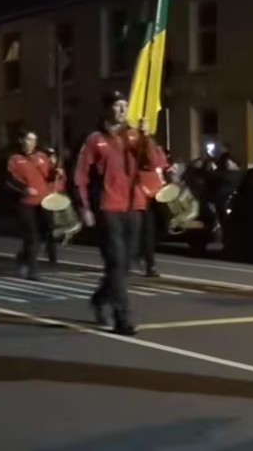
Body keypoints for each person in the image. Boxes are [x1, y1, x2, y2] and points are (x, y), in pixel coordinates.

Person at [74, 91, 159, 336]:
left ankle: (100, 298)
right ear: (106, 109)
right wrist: (84, 207)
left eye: (125, 105)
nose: (122, 110)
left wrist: (146, 137)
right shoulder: (94, 139)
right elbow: (80, 175)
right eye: (117, 105)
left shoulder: (133, 135)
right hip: (108, 208)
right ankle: (123, 318)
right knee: (116, 262)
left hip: (133, 207)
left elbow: (152, 163)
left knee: (125, 265)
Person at [6, 130, 52, 279]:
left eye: (34, 140)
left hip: (43, 201)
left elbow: (49, 176)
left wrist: (56, 171)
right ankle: (32, 270)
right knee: (32, 235)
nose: (31, 143)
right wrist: (24, 188)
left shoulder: (42, 157)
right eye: (28, 139)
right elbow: (8, 180)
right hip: (25, 202)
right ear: (21, 140)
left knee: (45, 232)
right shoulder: (14, 158)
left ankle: (23, 256)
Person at [136, 143, 168, 278]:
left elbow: (162, 169)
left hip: (158, 199)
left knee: (158, 230)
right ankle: (150, 265)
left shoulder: (155, 149)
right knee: (146, 232)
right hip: (142, 201)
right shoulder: (137, 158)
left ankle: (143, 258)